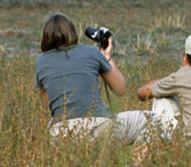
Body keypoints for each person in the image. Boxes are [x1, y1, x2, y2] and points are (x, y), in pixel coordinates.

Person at [35, 12, 147, 143]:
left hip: (60, 132)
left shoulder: (40, 61)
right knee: (151, 121)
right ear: (73, 32)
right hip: (98, 127)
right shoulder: (92, 52)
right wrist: (106, 56)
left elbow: (53, 104)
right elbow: (120, 89)